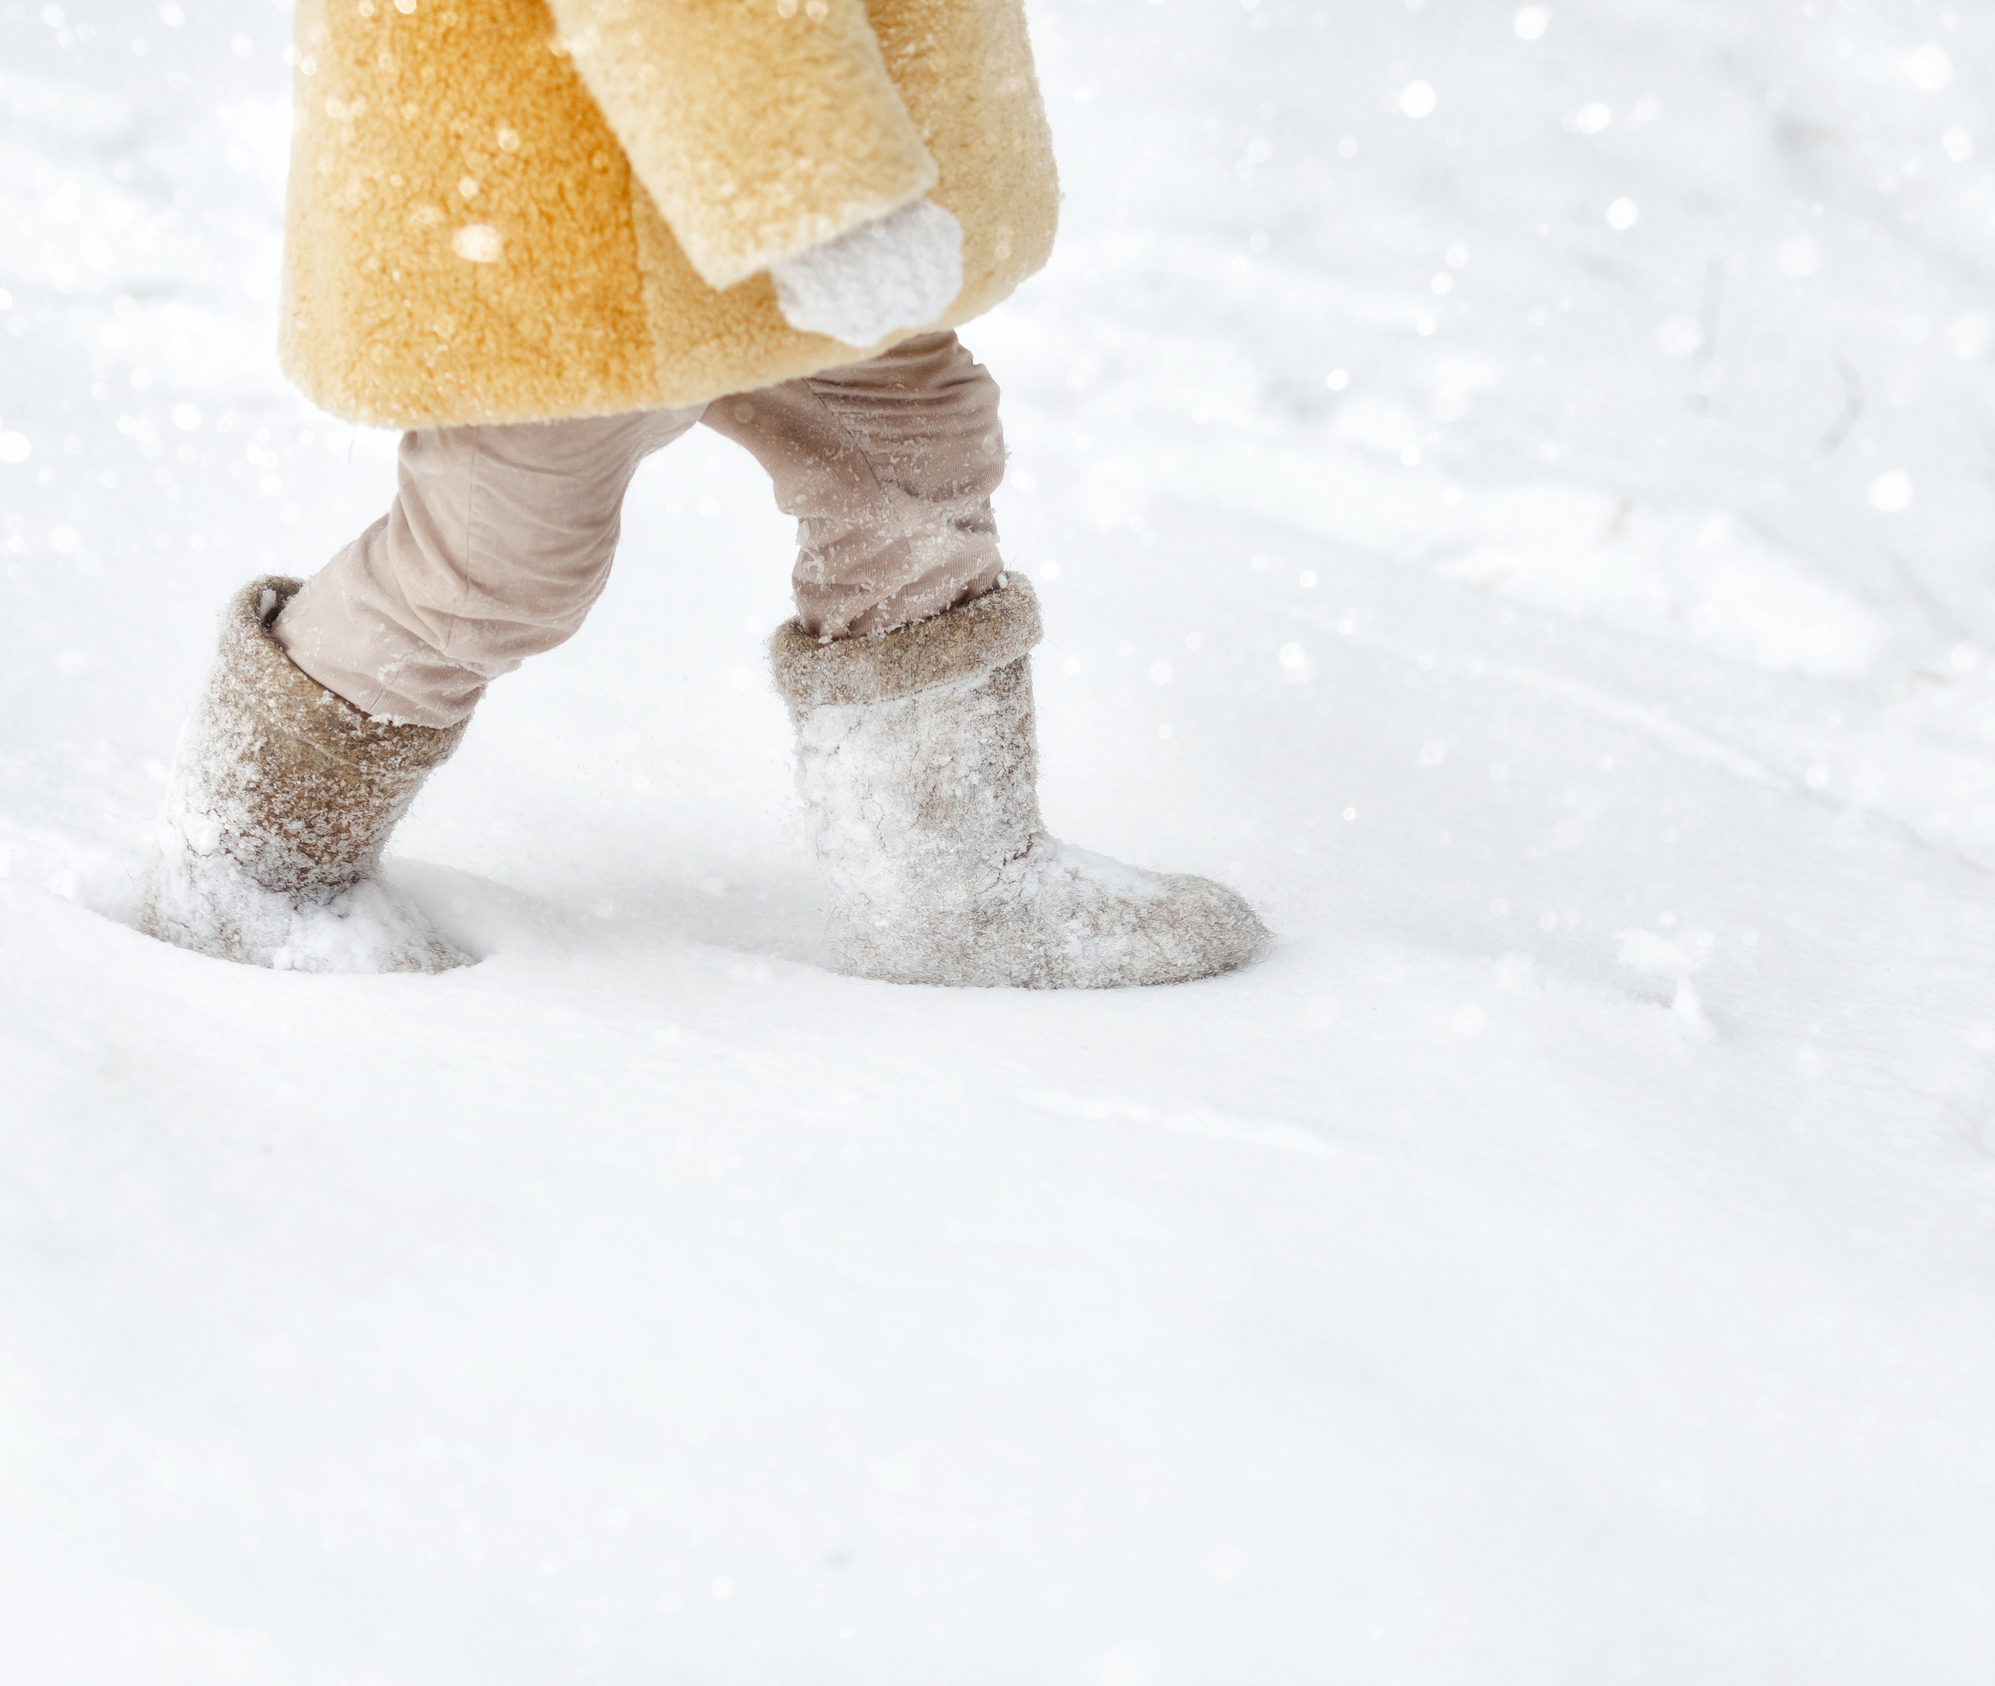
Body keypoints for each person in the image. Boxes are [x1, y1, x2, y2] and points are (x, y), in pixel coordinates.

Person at [141, 0, 1267, 988]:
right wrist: (814, 194)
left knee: (909, 457)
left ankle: (951, 879)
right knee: (497, 558)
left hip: (797, 136)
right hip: (568, 188)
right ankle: (251, 867)